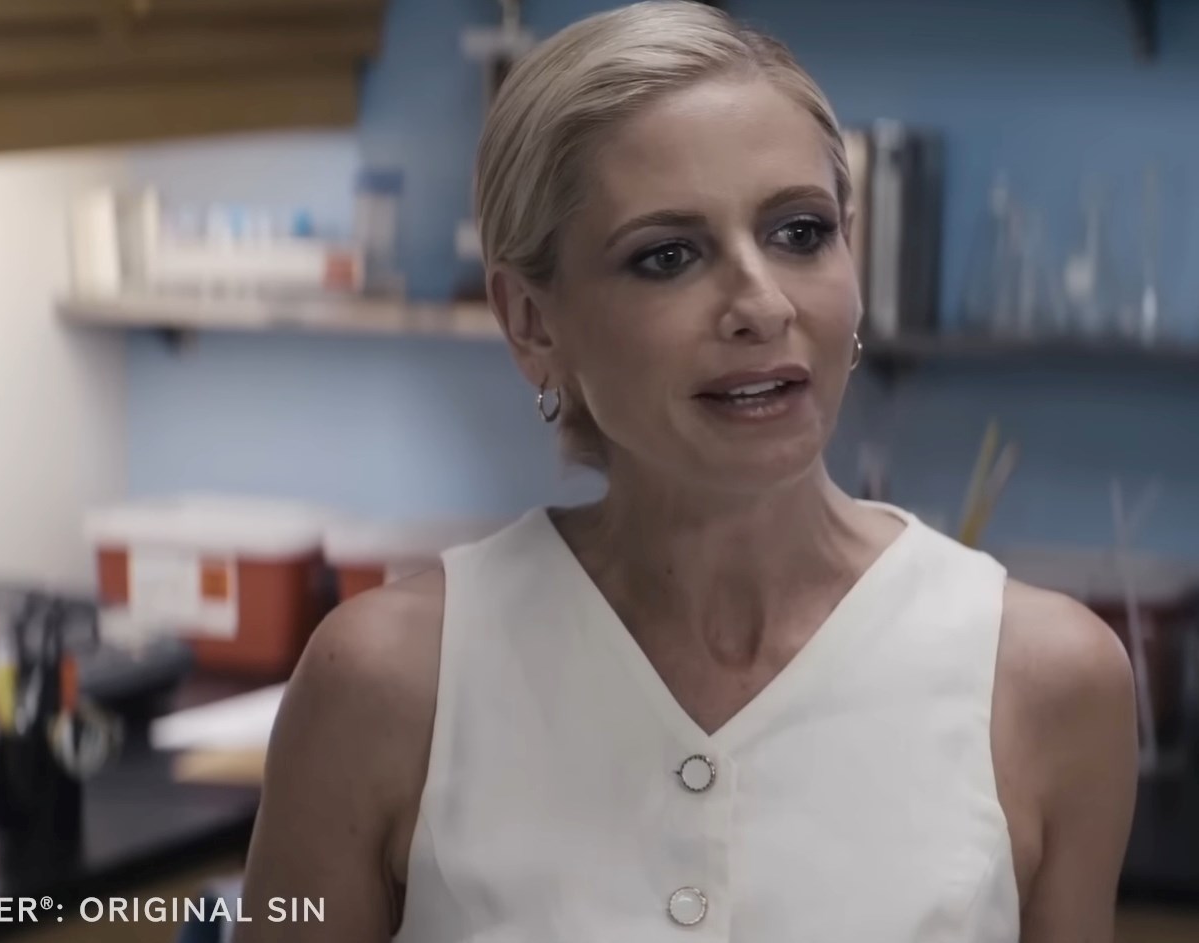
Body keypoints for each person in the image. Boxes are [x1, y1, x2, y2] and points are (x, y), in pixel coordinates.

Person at [236, 2, 1137, 940]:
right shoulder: (384, 684)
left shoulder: (1045, 683)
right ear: (532, 323)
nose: (762, 304)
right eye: (667, 256)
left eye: (800, 232)